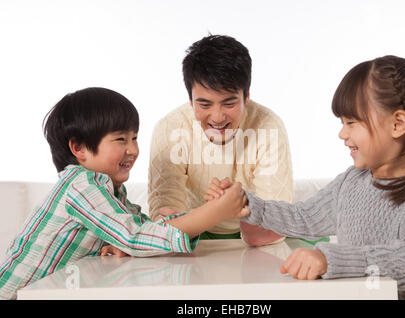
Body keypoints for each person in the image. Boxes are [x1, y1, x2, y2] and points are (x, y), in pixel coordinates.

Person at [208, 55, 405, 299]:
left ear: (397, 124)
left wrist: (331, 259)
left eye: (352, 122)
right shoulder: (352, 182)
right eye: (343, 122)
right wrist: (247, 204)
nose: (342, 133)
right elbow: (303, 217)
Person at [0, 87, 249, 300]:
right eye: (121, 139)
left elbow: (142, 228)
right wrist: (213, 213)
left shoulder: (110, 191)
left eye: (134, 138)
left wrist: (202, 210)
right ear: (79, 148)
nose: (133, 149)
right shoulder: (80, 186)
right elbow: (135, 236)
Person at [148, 34, 302, 246]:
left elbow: (275, 221)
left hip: (254, 230)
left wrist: (238, 201)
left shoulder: (269, 126)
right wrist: (215, 211)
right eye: (204, 105)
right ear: (190, 100)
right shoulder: (170, 128)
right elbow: (163, 221)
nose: (218, 117)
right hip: (196, 229)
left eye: (229, 104)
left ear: (246, 96)